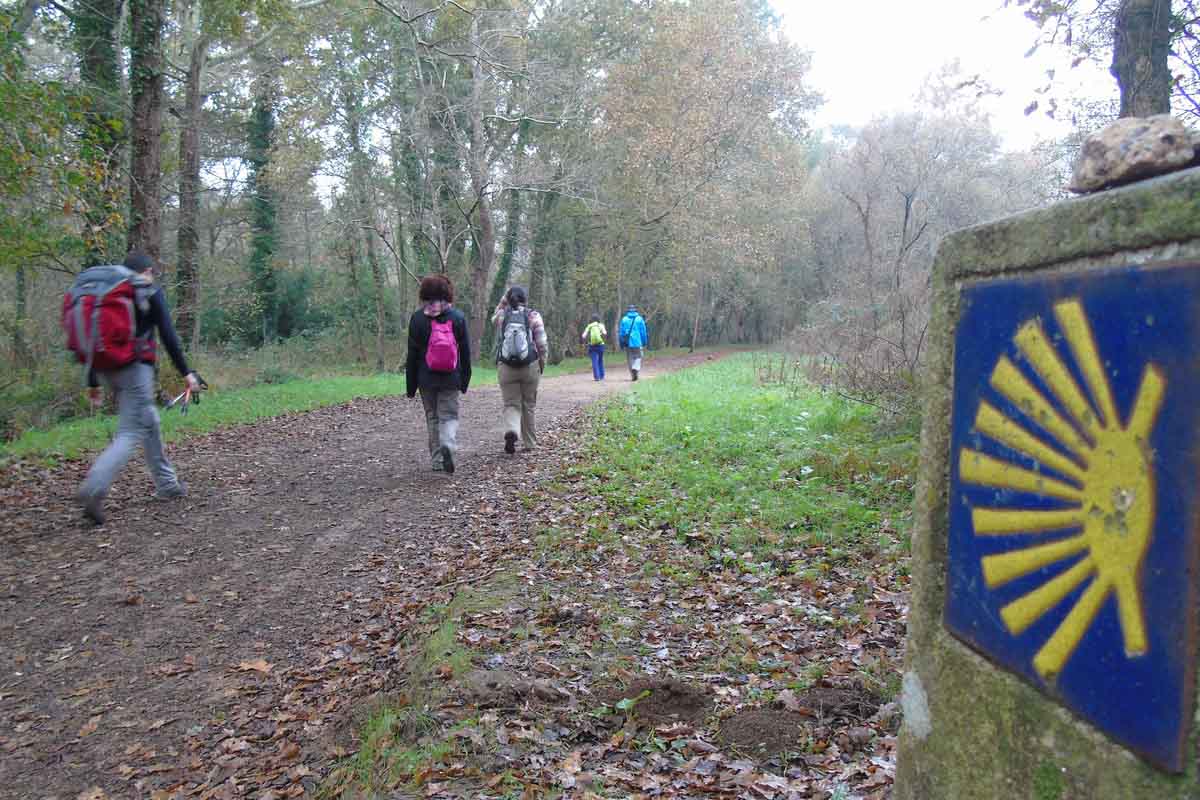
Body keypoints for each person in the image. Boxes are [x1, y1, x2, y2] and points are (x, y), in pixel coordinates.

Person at [75, 251, 202, 525]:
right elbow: (168, 335)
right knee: (131, 431)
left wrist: (93, 382)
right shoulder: (146, 291)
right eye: (152, 273)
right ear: (146, 271)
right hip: (135, 369)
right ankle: (94, 488)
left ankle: (167, 484)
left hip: (106, 369)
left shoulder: (105, 292)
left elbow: (91, 339)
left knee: (148, 418)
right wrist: (187, 372)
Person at [406, 274, 471, 474]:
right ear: (447, 293)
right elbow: (465, 352)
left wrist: (411, 385)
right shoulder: (458, 317)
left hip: (426, 378)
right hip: (451, 377)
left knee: (432, 417)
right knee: (449, 415)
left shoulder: (417, 318)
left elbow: (413, 355)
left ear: (424, 293)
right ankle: (448, 446)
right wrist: (465, 379)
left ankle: (436, 460)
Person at [492, 286, 547, 454]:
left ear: (508, 299)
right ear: (525, 299)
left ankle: (512, 431)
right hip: (529, 365)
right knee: (528, 405)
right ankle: (530, 443)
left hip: (506, 366)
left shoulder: (502, 316)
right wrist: (541, 363)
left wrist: (503, 302)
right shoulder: (533, 315)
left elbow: (493, 317)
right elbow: (542, 343)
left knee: (511, 403)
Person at [618, 304, 648, 381]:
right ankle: (636, 368)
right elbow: (643, 332)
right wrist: (644, 341)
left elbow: (621, 333)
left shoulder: (624, 319)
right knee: (639, 356)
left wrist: (621, 343)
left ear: (628, 311)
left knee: (630, 358)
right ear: (635, 310)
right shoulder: (639, 319)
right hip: (637, 342)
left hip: (627, 342)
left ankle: (633, 375)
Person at [580, 313, 607, 381]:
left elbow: (583, 336)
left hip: (592, 346)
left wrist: (585, 341)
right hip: (601, 345)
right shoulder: (601, 325)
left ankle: (596, 377)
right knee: (600, 360)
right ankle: (602, 376)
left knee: (594, 361)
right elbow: (605, 333)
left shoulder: (589, 326)